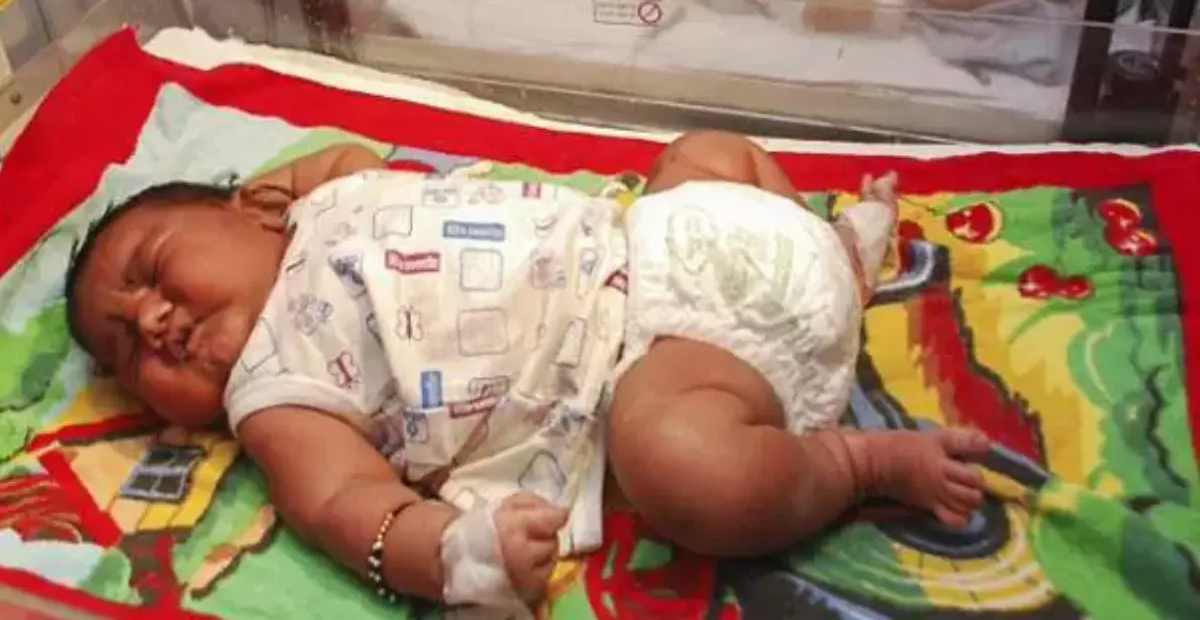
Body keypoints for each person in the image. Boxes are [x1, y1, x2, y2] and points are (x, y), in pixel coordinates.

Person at [65, 131, 989, 612]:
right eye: (126, 353)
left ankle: (834, 257)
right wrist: (456, 558)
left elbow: (348, 160)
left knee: (703, 151)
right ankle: (853, 463)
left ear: (249, 208)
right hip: (658, 362)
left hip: (660, 228)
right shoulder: (276, 390)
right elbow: (343, 503)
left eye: (151, 269)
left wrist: (285, 188)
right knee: (681, 467)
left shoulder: (326, 199)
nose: (151, 322)